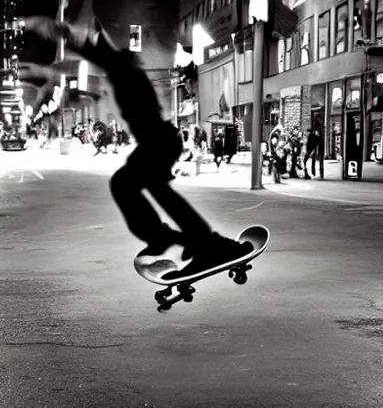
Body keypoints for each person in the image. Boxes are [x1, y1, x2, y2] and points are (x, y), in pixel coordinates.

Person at [18, 17, 254, 280]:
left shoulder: (123, 69)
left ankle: (187, 240)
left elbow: (94, 51)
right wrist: (44, 70)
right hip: (159, 141)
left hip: (159, 140)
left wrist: (55, 30)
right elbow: (88, 60)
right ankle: (201, 242)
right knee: (154, 189)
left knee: (124, 184)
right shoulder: (124, 71)